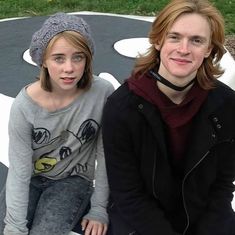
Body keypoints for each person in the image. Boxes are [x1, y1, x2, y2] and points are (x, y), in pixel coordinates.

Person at [102, 0, 235, 234]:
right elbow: (127, 193)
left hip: (203, 218)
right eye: (174, 37)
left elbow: (222, 186)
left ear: (208, 50)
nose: (183, 49)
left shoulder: (226, 104)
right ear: (158, 40)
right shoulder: (122, 108)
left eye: (196, 40)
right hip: (142, 222)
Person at [0, 12, 114, 235]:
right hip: (32, 178)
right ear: (43, 59)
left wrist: (99, 209)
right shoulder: (25, 106)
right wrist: (14, 227)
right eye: (58, 58)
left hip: (72, 180)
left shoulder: (102, 93)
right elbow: (19, 173)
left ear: (88, 58)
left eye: (78, 57)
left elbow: (106, 153)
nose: (69, 68)